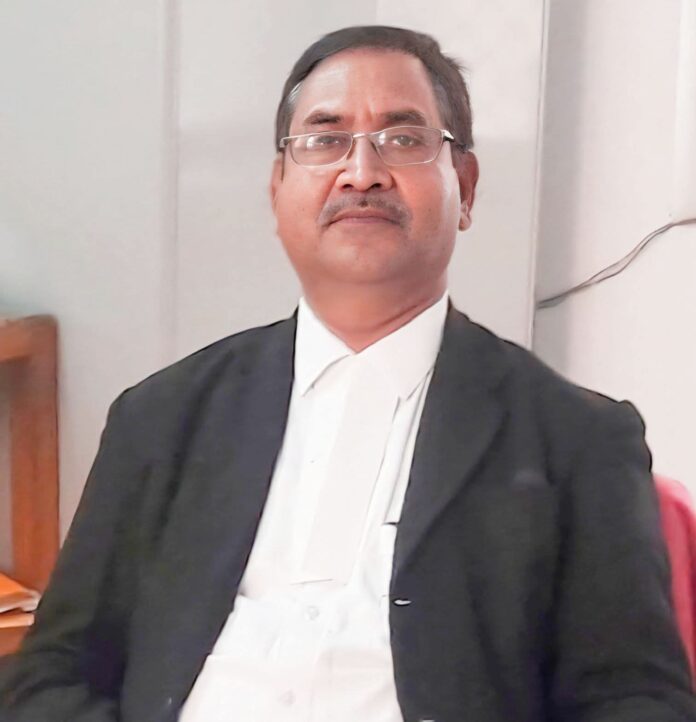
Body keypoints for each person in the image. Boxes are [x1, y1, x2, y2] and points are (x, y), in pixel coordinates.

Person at [1, 24, 694, 722]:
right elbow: (51, 674)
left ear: (465, 187)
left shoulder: (576, 438)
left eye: (404, 138)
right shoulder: (162, 417)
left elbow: (637, 700)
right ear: (277, 189)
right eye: (325, 139)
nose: (361, 172)